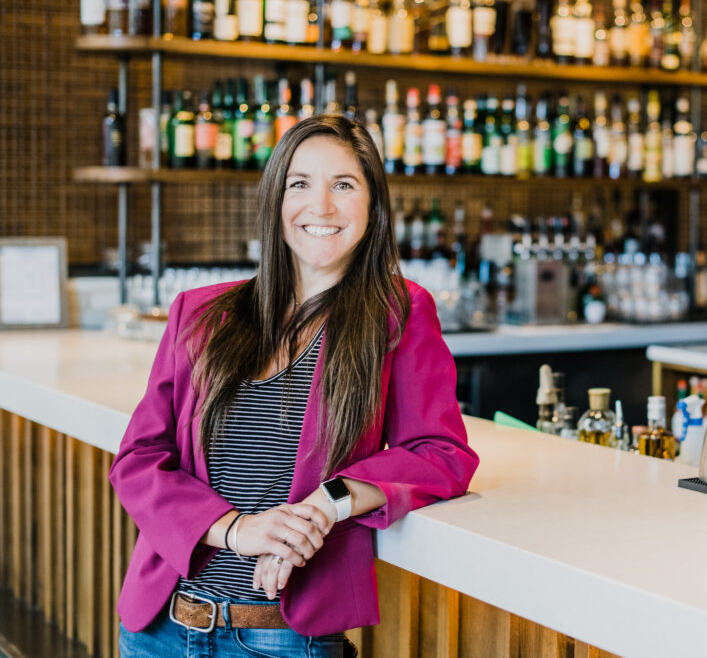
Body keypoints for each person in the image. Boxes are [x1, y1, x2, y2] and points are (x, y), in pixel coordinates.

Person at [110, 114, 479, 657]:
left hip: (282, 641)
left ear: (374, 205)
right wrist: (237, 530)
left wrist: (328, 504)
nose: (321, 206)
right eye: (300, 184)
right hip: (160, 630)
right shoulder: (202, 313)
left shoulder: (398, 314)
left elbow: (441, 453)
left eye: (344, 185)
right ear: (275, 201)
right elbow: (138, 459)